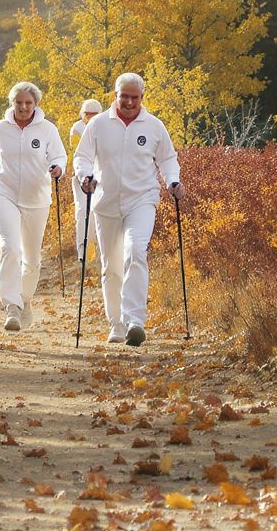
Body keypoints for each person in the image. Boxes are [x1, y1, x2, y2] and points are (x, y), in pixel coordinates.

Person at [73, 73, 185, 347]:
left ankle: (135, 321)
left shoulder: (154, 126)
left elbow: (168, 159)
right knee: (111, 267)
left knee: (135, 252)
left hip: (142, 199)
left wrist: (173, 181)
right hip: (106, 201)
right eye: (124, 96)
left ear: (142, 98)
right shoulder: (98, 124)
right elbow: (82, 157)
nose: (129, 102)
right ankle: (117, 324)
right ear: (115, 95)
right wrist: (85, 176)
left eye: (134, 97)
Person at [0, 82, 67, 332]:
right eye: (19, 102)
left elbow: (59, 155)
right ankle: (11, 306)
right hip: (4, 193)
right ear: (12, 103)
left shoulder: (47, 129)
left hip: (37, 199)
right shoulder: (0, 128)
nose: (23, 107)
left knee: (32, 258)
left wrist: (57, 167)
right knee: (9, 246)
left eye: (28, 103)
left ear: (35, 104)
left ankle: (24, 298)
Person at [68, 98, 104, 260]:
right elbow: (78, 154)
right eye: (88, 115)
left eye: (94, 115)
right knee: (83, 211)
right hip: (81, 178)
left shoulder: (104, 127)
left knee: (98, 212)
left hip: (100, 177)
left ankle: (98, 251)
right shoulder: (77, 129)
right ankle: (83, 251)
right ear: (83, 115)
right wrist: (84, 174)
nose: (90, 118)